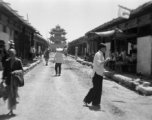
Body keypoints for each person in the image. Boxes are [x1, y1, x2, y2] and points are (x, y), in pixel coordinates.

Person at [2, 49, 23, 115]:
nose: (11, 55)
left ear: (15, 53)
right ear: (9, 54)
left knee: (13, 95)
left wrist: (14, 72)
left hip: (15, 81)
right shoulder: (7, 61)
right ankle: (11, 108)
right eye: (10, 53)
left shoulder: (18, 61)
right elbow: (4, 70)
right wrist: (3, 78)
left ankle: (12, 110)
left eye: (13, 53)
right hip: (8, 80)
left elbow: (21, 70)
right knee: (10, 94)